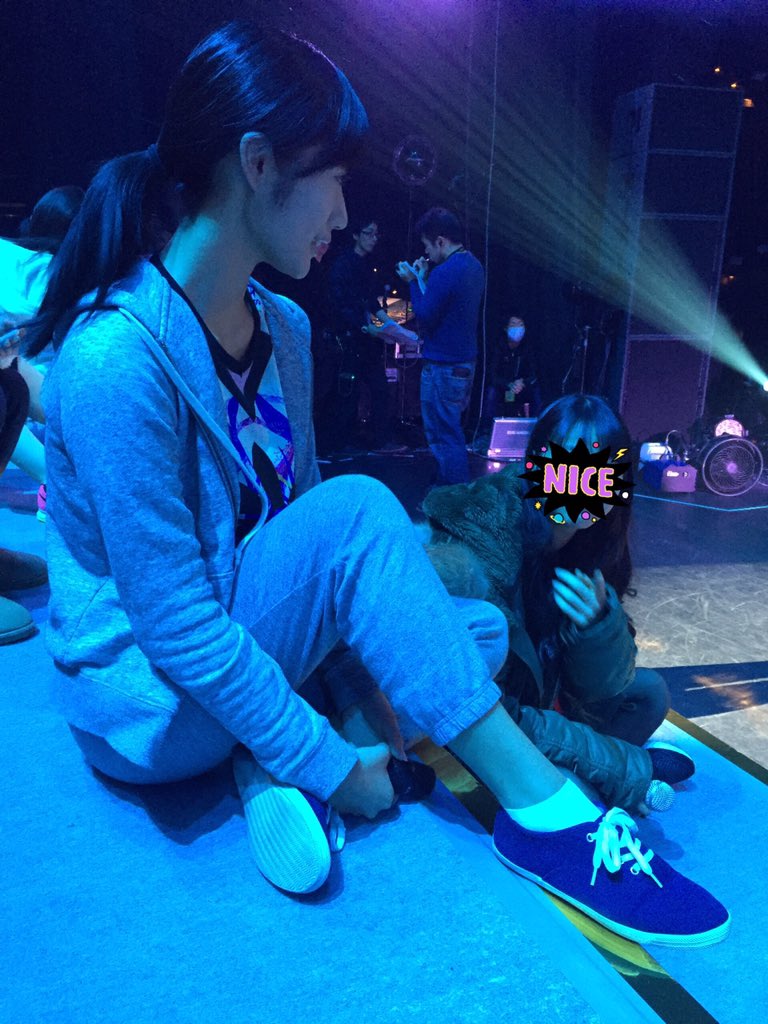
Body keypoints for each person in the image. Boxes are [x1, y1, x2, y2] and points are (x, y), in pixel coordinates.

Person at [26, 22, 728, 947]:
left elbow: (293, 547)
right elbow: (176, 626)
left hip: (236, 643)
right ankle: (544, 815)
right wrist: (332, 761)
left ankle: (262, 763)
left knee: (472, 632)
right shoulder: (117, 356)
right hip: (151, 702)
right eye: (335, 179)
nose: (345, 213)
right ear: (259, 164)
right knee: (365, 521)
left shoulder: (283, 329)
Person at [421, 394, 689, 813]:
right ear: (538, 465)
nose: (582, 482)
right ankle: (605, 776)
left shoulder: (590, 544)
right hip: (485, 726)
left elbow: (598, 689)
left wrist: (598, 626)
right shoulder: (482, 551)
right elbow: (493, 711)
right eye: (568, 465)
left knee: (649, 694)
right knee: (577, 796)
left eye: (599, 470)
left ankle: (599, 774)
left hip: (541, 704)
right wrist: (623, 768)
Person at [396, 208, 484, 485]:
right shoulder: (474, 266)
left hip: (443, 367)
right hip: (463, 364)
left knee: (442, 435)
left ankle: (453, 495)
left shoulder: (445, 272)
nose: (426, 252)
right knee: (451, 431)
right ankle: (451, 490)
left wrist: (413, 282)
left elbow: (425, 316)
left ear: (441, 241)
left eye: (427, 245)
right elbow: (444, 308)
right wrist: (424, 279)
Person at [326, 216, 401, 452]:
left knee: (379, 388)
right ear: (355, 235)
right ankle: (343, 442)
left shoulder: (367, 265)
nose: (374, 239)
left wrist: (392, 325)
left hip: (365, 338)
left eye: (376, 234)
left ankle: (379, 440)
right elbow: (340, 303)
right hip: (350, 338)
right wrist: (364, 326)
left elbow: (370, 301)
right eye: (369, 233)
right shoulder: (343, 265)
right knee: (350, 390)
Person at [489, 315, 542, 420]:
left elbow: (534, 374)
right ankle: (489, 426)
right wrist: (508, 384)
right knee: (491, 392)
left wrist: (522, 382)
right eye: (513, 324)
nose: (517, 328)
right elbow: (492, 375)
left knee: (536, 392)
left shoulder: (528, 347)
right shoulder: (498, 347)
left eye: (520, 325)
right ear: (506, 328)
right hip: (504, 387)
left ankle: (537, 423)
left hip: (522, 387)